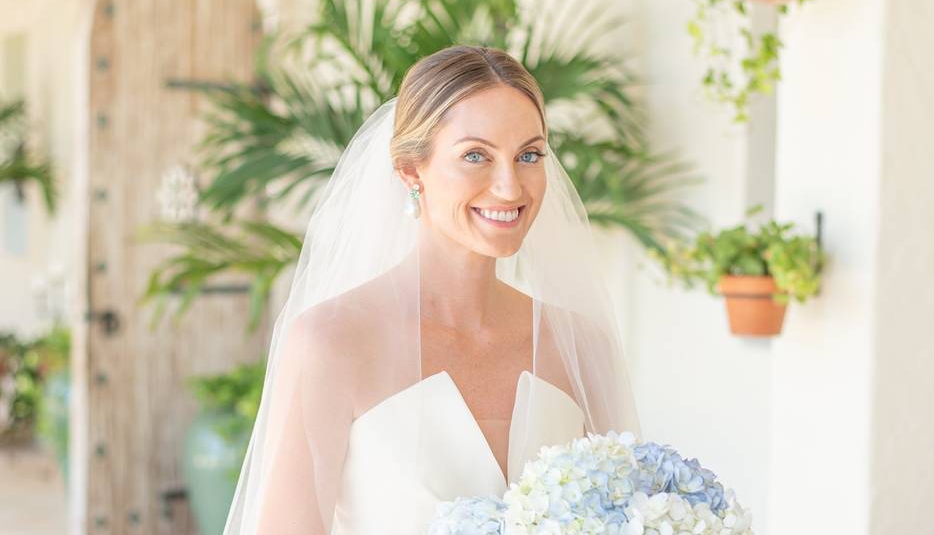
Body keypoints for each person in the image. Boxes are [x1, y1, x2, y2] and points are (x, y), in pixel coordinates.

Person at [222, 45, 642, 534]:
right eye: (475, 156)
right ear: (410, 171)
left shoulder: (580, 346)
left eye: (528, 155)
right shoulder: (330, 344)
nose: (510, 187)